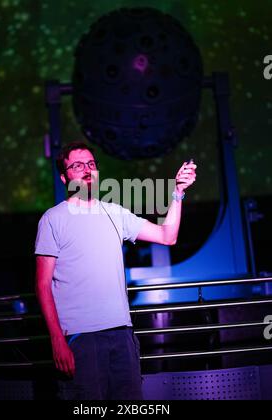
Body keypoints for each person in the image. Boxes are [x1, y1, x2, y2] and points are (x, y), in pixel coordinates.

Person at [35, 141, 196, 400]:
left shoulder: (115, 213)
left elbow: (168, 236)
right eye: (77, 165)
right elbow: (42, 285)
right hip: (80, 339)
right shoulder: (53, 219)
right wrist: (57, 340)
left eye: (90, 164)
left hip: (122, 334)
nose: (87, 170)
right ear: (65, 177)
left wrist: (177, 192)